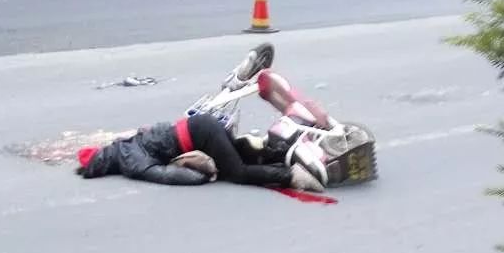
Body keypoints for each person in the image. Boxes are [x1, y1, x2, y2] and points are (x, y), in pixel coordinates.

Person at [76, 112, 323, 192]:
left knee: (237, 173)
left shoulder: (131, 162)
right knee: (238, 158)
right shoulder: (126, 144)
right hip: (201, 126)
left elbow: (168, 176)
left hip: (200, 135)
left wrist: (204, 177)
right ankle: (284, 151)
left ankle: (291, 175)